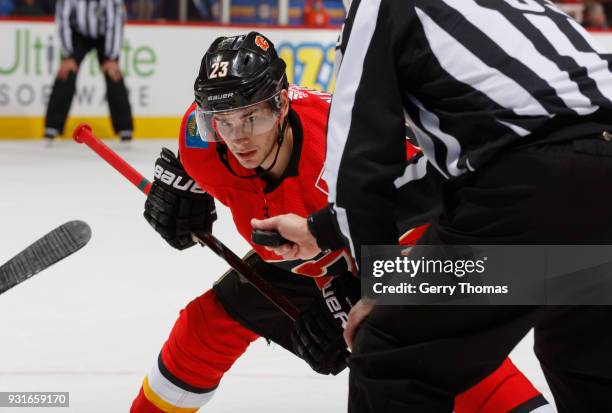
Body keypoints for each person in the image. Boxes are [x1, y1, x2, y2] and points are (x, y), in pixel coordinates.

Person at [130, 32, 550, 413]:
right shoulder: (203, 137)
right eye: (223, 122)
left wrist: (376, 290)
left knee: (427, 347)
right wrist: (185, 189)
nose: (238, 137)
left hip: (398, 248)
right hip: (301, 256)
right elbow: (208, 122)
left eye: (252, 118)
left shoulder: (349, 146)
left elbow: (438, 211)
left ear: (281, 104)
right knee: (207, 324)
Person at [254, 1, 612, 412]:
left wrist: (382, 284)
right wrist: (324, 228)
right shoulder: (528, 6)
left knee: (391, 355)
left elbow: (361, 163)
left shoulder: (380, 6)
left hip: (534, 192)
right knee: (587, 358)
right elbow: (456, 165)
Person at [44, 0, 133, 142]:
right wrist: (68, 55)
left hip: (104, 36)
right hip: (78, 35)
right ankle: (52, 127)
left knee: (113, 74)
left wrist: (111, 57)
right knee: (66, 72)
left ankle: (125, 128)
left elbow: (115, 24)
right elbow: (63, 19)